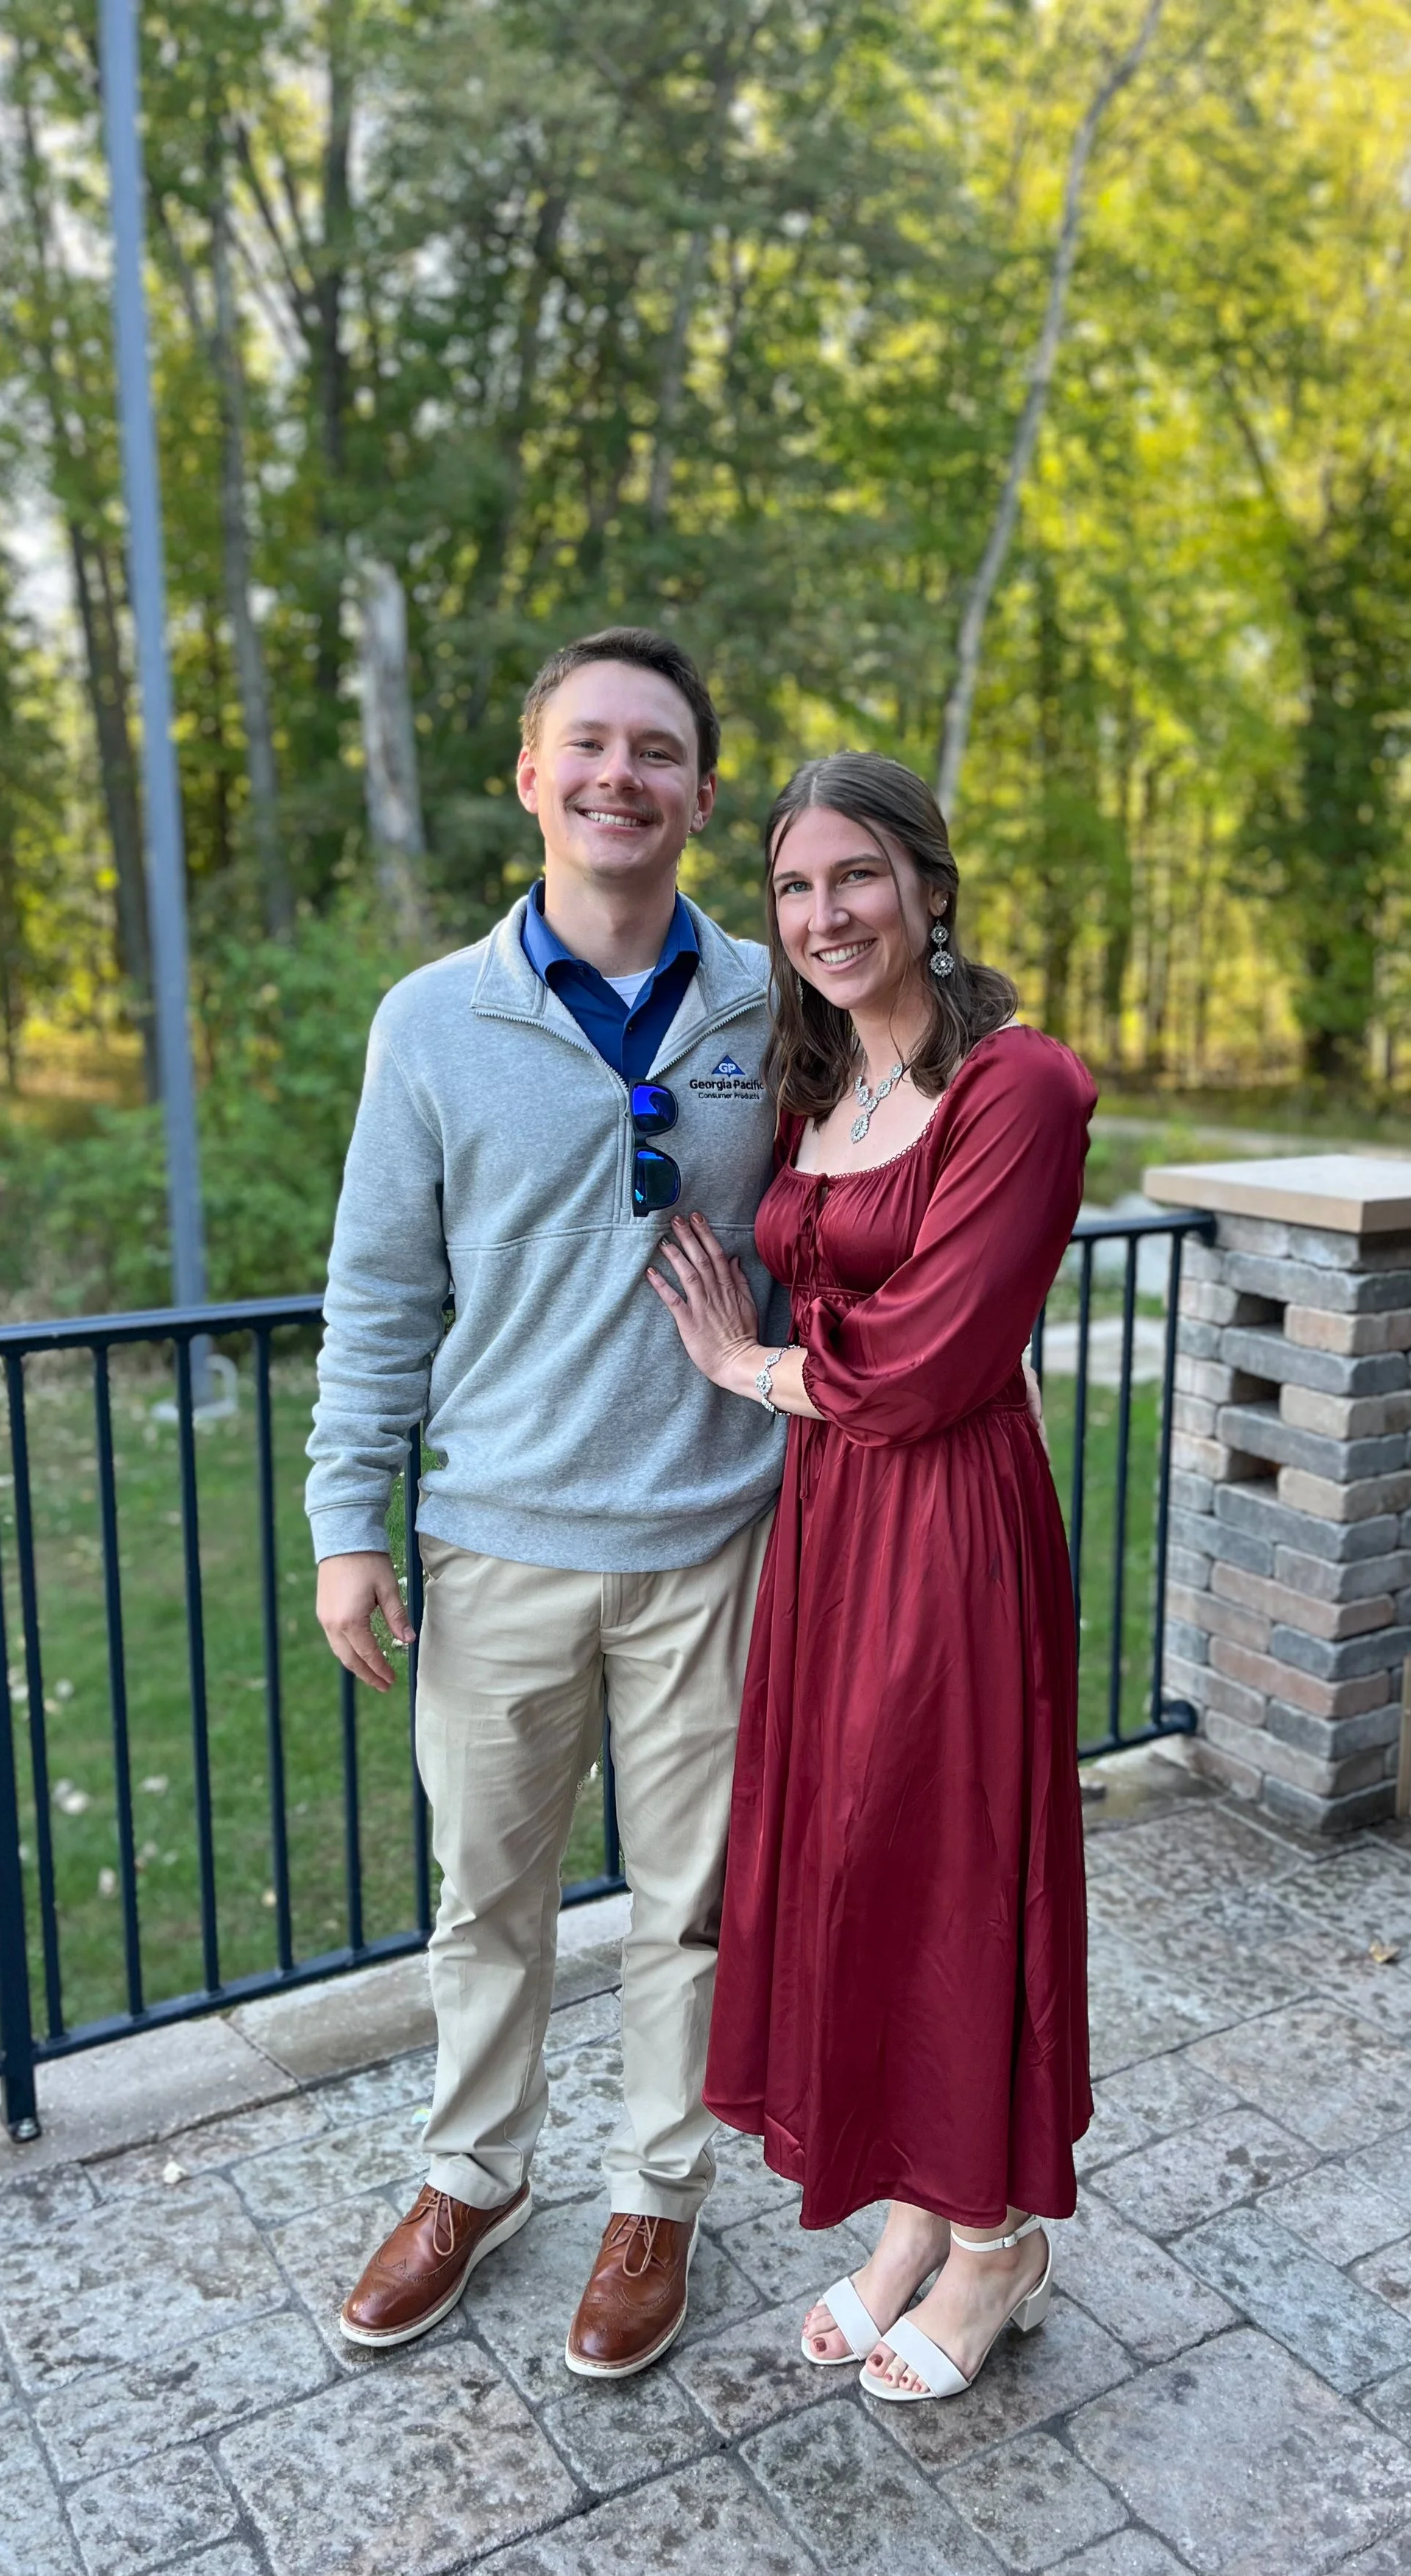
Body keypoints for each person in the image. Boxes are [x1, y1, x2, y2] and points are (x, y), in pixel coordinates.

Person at [306, 627, 785, 2379]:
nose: (617, 777)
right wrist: (345, 1522)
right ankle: (470, 2175)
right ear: (528, 777)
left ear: (700, 795)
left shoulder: (769, 1005)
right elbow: (378, 1291)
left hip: (714, 1538)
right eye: (584, 745)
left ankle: (655, 2191)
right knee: (483, 1897)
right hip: (495, 1541)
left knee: (690, 1904)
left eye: (655, 751)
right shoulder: (431, 1019)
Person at [647, 749, 1095, 2406]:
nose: (822, 913)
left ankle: (995, 2246)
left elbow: (920, 1364)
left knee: (947, 1862)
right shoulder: (812, 1085)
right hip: (831, 1526)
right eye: (790, 884)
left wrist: (741, 1366)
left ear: (926, 884)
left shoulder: (1019, 1086)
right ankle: (918, 2209)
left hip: (948, 1527)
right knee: (857, 1859)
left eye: (854, 876)